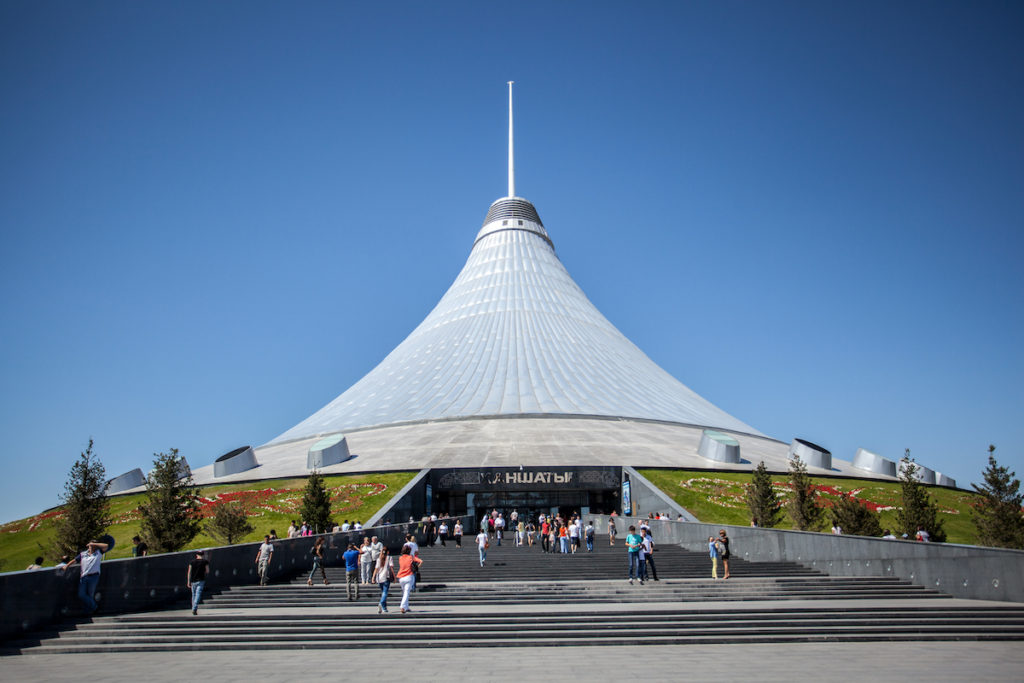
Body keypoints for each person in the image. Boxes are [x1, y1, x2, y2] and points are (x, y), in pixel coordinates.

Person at [65, 539, 110, 614]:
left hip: (94, 577)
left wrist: (95, 544)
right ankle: (94, 607)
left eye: (93, 545)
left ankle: (88, 611)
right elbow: (75, 560)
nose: (91, 547)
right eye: (90, 545)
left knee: (90, 594)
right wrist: (66, 566)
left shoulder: (98, 553)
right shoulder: (83, 554)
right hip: (84, 577)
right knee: (81, 594)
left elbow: (106, 546)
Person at [397, 546, 422, 614]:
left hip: (401, 577)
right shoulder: (411, 557)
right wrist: (417, 566)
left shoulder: (400, 558)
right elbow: (420, 561)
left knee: (404, 592)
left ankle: (406, 607)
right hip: (409, 576)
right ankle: (402, 606)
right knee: (406, 592)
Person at [187, 551, 210, 615]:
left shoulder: (192, 562)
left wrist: (188, 581)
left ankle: (193, 608)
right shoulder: (205, 562)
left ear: (196, 555)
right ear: (203, 555)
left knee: (193, 595)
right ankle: (194, 608)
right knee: (198, 594)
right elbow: (207, 571)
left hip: (193, 580)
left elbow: (189, 572)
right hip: (201, 580)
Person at [374, 547, 396, 614]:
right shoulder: (389, 558)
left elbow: (376, 569)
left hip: (379, 578)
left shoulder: (378, 559)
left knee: (383, 592)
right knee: (385, 592)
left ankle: (384, 608)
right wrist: (394, 577)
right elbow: (391, 568)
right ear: (388, 552)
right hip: (386, 577)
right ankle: (381, 603)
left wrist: (373, 577)